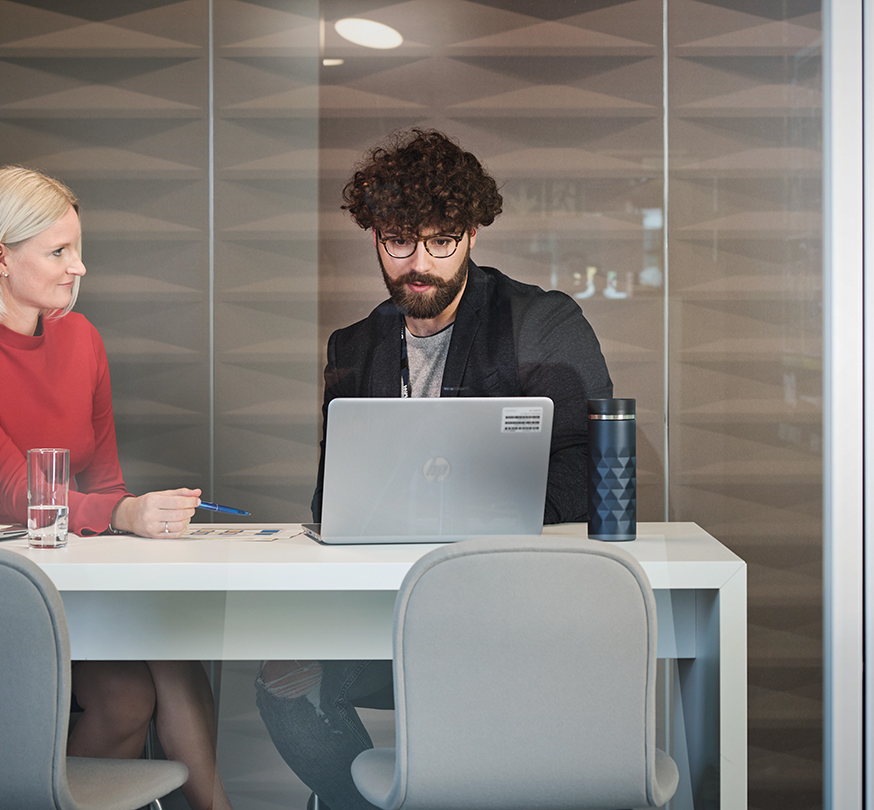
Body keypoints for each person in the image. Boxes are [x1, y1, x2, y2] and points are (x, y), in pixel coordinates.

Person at [257, 129, 613, 810]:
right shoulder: (354, 347)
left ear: (472, 233)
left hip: (509, 609)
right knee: (282, 678)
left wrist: (478, 524)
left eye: (440, 240)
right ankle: (366, 803)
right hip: (390, 608)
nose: (418, 263)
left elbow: (588, 472)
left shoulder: (540, 323)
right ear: (374, 236)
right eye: (398, 240)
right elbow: (339, 495)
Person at [0, 165, 233, 810]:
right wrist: (125, 515)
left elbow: (105, 481)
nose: (79, 267)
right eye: (60, 251)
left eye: (77, 248)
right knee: (129, 693)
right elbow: (19, 492)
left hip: (73, 575)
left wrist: (128, 514)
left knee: (161, 655)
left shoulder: (83, 339)